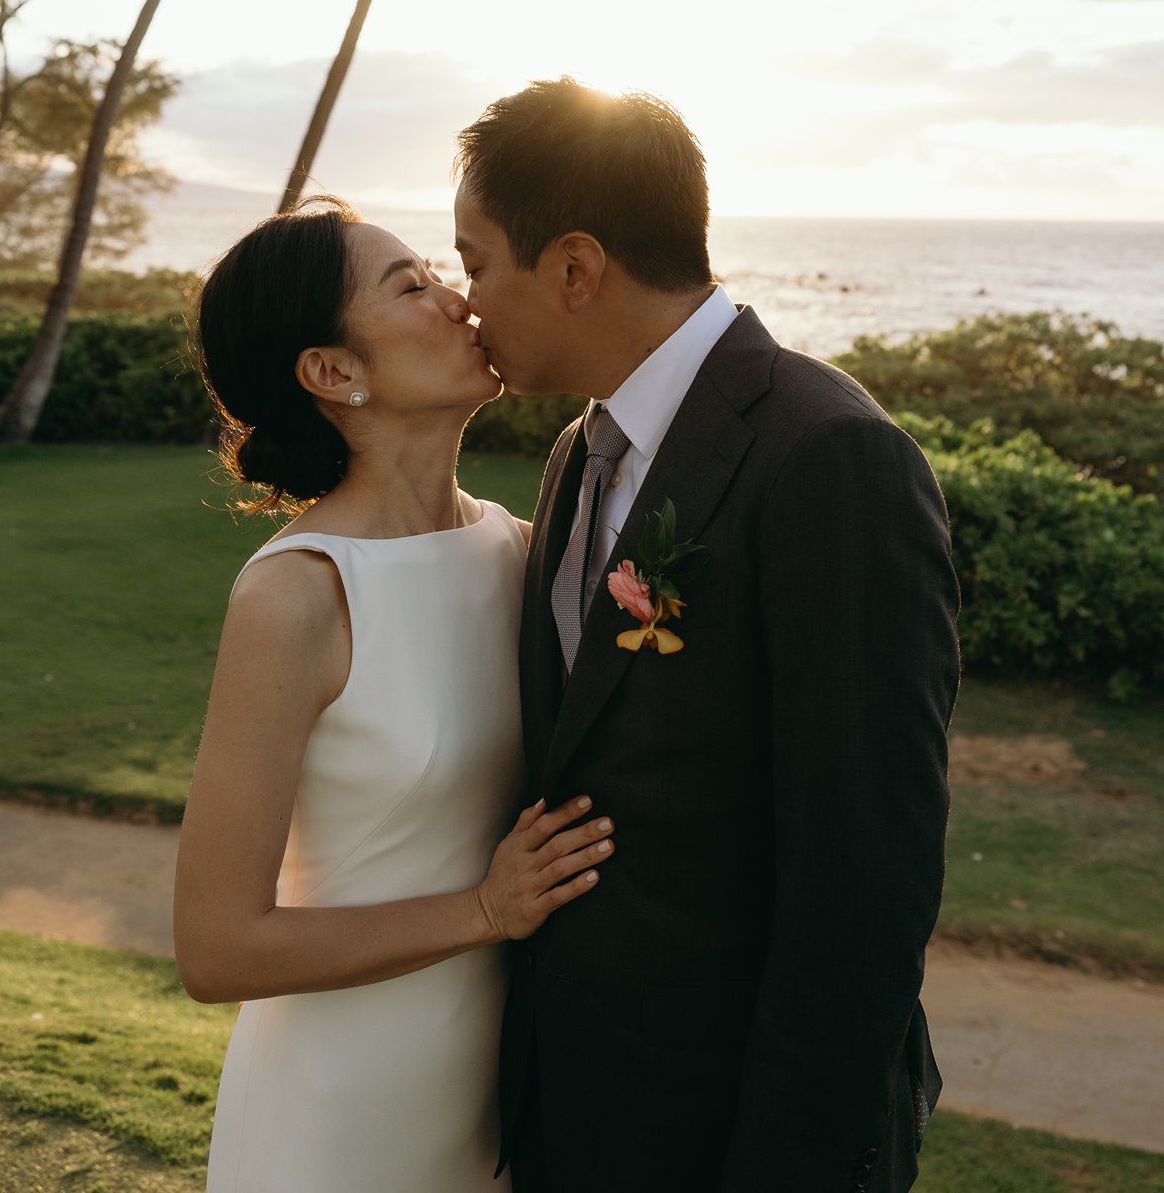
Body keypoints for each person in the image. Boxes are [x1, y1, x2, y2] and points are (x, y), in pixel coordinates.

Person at [453, 80, 962, 1193]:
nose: (467, 299)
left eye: (476, 260)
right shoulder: (577, 454)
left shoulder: (828, 456)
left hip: (736, 1124)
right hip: (578, 1102)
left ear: (575, 268)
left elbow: (864, 871)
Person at [179, 196, 615, 1193]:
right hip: (338, 1117)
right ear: (333, 372)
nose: (461, 303)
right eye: (412, 286)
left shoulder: (516, 549)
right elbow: (215, 946)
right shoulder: (297, 594)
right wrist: (482, 909)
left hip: (494, 1103)